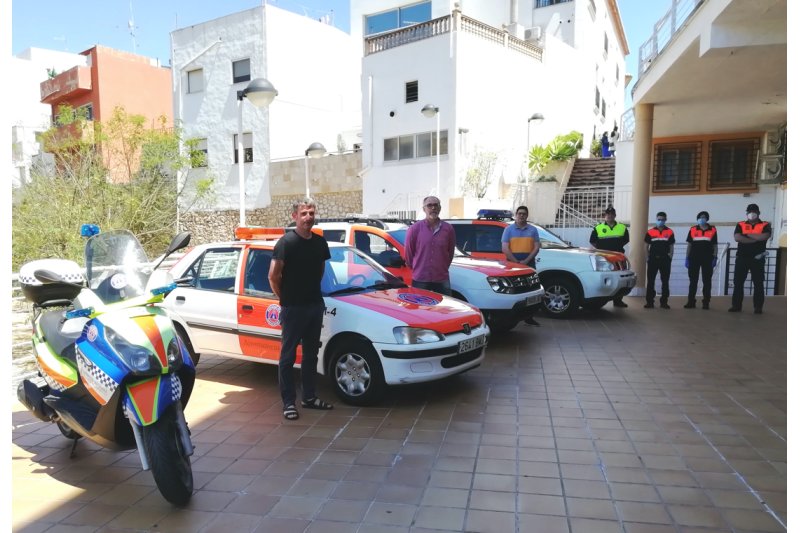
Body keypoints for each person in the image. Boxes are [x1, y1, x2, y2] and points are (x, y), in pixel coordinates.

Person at [268, 198, 333, 420]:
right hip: (293, 308)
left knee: (311, 355)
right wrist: (285, 298)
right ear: (295, 216)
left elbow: (320, 271)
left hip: (314, 306)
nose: (308, 217)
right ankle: (289, 403)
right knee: (287, 358)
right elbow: (273, 276)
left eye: (311, 213)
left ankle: (309, 397)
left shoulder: (320, 243)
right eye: (304, 213)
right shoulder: (285, 243)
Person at [405, 195, 456, 296]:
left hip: (441, 279)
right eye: (429, 205)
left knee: (444, 305)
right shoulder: (414, 229)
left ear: (440, 208)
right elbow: (409, 253)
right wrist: (417, 267)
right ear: (424, 209)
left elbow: (450, 253)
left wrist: (442, 267)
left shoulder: (448, 229)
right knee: (419, 305)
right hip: (420, 279)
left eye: (436, 205)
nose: (433, 208)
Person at [501, 205, 541, 325]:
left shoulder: (533, 230)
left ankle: (529, 317)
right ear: (516, 215)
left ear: (527, 215)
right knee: (513, 289)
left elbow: (536, 247)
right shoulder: (508, 230)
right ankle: (509, 316)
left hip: (529, 263)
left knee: (531, 290)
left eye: (524, 214)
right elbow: (505, 248)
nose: (522, 215)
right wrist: (516, 262)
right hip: (512, 264)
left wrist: (526, 261)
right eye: (519, 213)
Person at [729, 203, 772, 314]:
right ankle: (736, 306)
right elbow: (737, 238)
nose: (752, 214)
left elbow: (764, 236)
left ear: (759, 213)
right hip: (742, 258)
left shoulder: (765, 224)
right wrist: (755, 239)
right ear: (747, 213)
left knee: (758, 283)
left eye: (754, 212)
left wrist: (747, 234)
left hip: (758, 258)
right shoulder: (740, 224)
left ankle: (758, 307)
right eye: (749, 212)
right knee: (738, 282)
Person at [589, 206, 630, 307]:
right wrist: (601, 249)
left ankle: (618, 301)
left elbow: (626, 240)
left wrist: (616, 247)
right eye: (608, 214)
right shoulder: (598, 228)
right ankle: (599, 300)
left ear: (615, 215)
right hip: (603, 258)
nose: (610, 216)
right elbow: (592, 241)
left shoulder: (622, 227)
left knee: (619, 278)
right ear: (605, 215)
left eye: (612, 214)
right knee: (603, 278)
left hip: (618, 257)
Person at [684, 211, 718, 310]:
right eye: (700, 217)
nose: (702, 219)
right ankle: (691, 301)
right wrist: (687, 258)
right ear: (697, 219)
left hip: (707, 259)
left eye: (704, 217)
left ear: (707, 219)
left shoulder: (713, 229)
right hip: (694, 258)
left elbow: (715, 245)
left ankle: (706, 302)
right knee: (693, 281)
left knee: (707, 281)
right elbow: (689, 245)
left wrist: (715, 257)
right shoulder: (693, 229)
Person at [643, 211, 675, 309]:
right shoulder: (650, 232)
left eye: (662, 219)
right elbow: (646, 246)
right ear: (656, 219)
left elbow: (671, 246)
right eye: (659, 219)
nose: (660, 221)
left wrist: (670, 257)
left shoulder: (670, 232)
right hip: (653, 259)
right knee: (650, 281)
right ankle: (649, 302)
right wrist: (647, 257)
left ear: (665, 220)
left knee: (665, 281)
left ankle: (664, 302)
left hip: (665, 260)